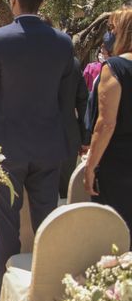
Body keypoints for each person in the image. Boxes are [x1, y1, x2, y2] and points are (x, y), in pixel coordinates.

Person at [0, 0, 74, 301]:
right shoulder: (64, 43)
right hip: (49, 146)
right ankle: (51, 299)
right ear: (43, 1)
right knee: (47, 221)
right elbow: (65, 102)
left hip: (7, 146)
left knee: (5, 224)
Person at [85, 5, 132, 237]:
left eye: (112, 27)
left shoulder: (115, 68)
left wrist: (90, 166)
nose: (109, 33)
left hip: (119, 163)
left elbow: (106, 123)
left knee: (116, 232)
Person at [58, 54, 89, 198]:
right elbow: (83, 101)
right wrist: (85, 138)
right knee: (66, 191)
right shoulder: (73, 63)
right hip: (68, 134)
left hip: (35, 136)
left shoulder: (30, 61)